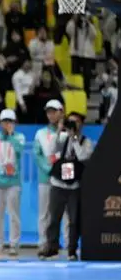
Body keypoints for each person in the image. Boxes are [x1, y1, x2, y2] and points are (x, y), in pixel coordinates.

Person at [40, 112, 94, 260]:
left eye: (76, 122)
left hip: (74, 187)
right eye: (70, 122)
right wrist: (59, 131)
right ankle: (52, 248)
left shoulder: (86, 142)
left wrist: (74, 138)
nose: (72, 125)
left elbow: (82, 156)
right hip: (58, 184)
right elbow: (50, 151)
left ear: (81, 124)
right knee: (53, 218)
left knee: (74, 220)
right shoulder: (62, 138)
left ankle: (72, 250)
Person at [0, 109, 25, 256]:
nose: (7, 124)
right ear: (0, 123)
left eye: (10, 121)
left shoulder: (19, 137)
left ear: (15, 123)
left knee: (14, 215)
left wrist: (11, 136)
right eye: (4, 121)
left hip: (13, 182)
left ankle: (14, 244)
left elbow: (19, 151)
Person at [33, 100, 66, 253]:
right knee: (44, 213)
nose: (51, 115)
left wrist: (65, 176)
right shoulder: (40, 134)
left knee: (66, 212)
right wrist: (49, 170)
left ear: (61, 112)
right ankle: (43, 242)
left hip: (64, 180)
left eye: (54, 111)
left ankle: (68, 243)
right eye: (48, 112)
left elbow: (70, 154)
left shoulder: (67, 132)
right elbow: (37, 155)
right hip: (45, 179)